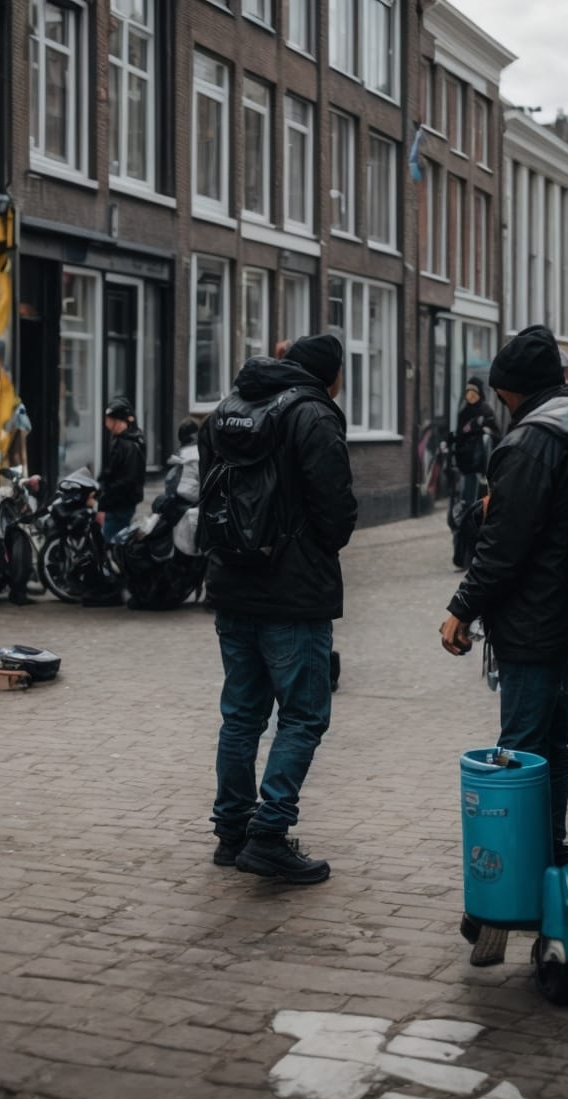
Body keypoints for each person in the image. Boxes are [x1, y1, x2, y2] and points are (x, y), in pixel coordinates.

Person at [201, 333, 357, 885]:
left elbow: (208, 493)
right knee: (304, 714)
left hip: (231, 585)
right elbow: (336, 511)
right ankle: (269, 833)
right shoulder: (314, 415)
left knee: (241, 714)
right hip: (293, 593)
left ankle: (231, 832)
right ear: (331, 375)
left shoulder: (228, 409)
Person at [438, 324, 568, 868]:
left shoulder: (527, 443)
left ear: (514, 388)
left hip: (531, 621)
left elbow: (503, 546)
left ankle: (519, 868)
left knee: (520, 746)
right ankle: (552, 850)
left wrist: (461, 609)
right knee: (555, 745)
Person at [447, 373, 501, 568]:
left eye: (473, 392)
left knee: (476, 509)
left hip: (480, 471)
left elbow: (497, 436)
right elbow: (460, 437)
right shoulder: (464, 413)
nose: (470, 396)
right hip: (464, 468)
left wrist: (484, 431)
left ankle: (475, 552)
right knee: (462, 510)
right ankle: (462, 553)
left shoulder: (486, 412)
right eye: (467, 392)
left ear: (480, 394)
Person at [97, 398, 147, 544]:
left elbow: (128, 479)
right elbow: (110, 469)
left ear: (118, 421)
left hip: (120, 503)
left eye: (109, 419)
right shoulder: (122, 439)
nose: (106, 423)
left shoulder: (129, 445)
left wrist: (106, 497)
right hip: (118, 501)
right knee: (115, 539)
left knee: (111, 541)